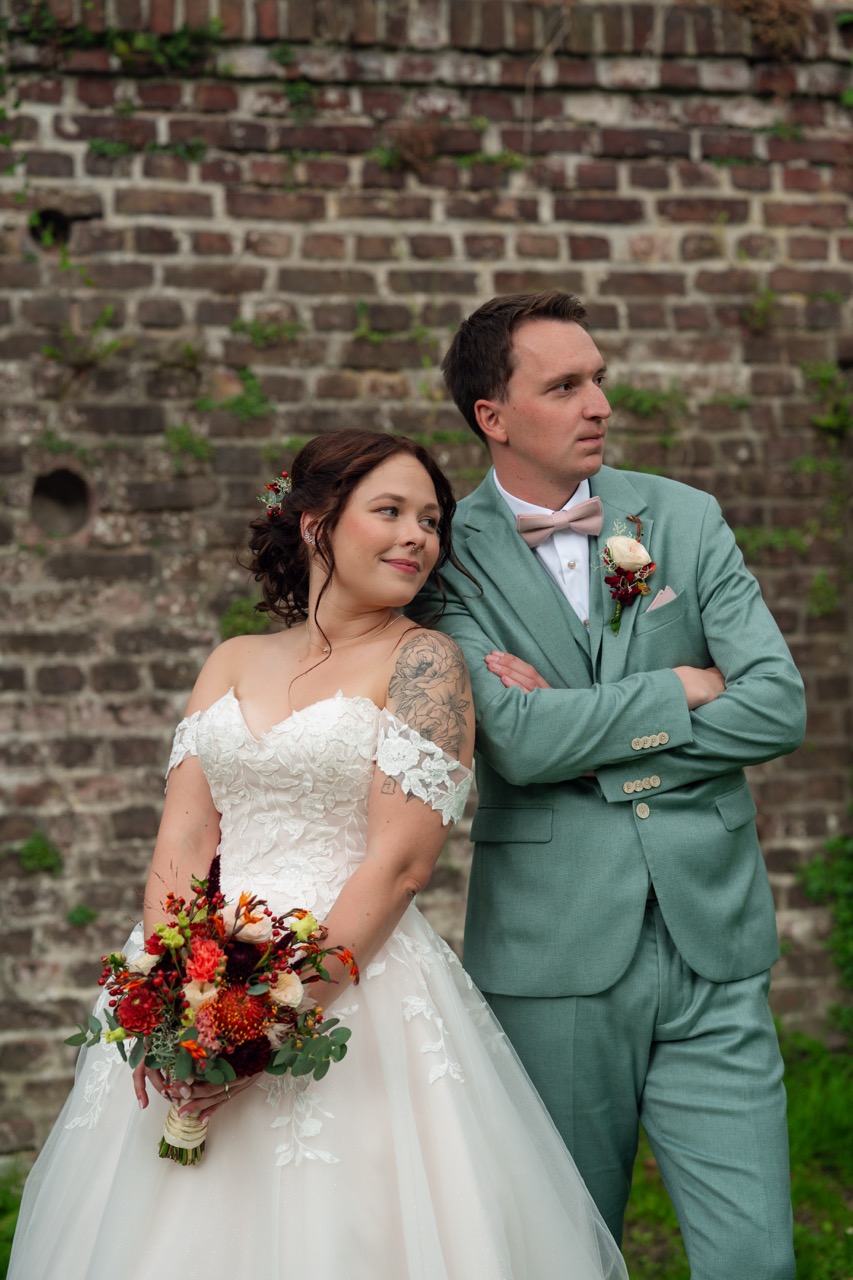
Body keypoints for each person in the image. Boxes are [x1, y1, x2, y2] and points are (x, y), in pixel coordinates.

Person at [9, 428, 627, 1280]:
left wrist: (265, 1028)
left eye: (430, 520)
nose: (417, 536)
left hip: (350, 981)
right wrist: (173, 998)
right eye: (390, 511)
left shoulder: (423, 663)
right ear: (313, 524)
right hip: (200, 964)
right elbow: (184, 838)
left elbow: (399, 867)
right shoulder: (232, 660)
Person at [413, 292, 806, 1279]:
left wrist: (583, 729)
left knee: (756, 1258)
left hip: (713, 939)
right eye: (563, 386)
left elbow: (775, 706)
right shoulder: (442, 554)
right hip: (552, 951)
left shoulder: (681, 517)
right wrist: (678, 687)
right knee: (565, 1253)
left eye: (598, 380)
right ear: (492, 415)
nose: (597, 404)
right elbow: (514, 742)